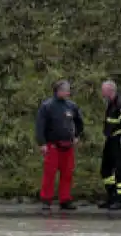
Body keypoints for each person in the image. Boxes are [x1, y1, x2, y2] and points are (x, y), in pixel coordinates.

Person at [35, 80, 84, 210]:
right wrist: (42, 143)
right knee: (49, 173)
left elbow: (79, 122)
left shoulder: (72, 106)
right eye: (66, 89)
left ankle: (65, 199)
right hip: (52, 145)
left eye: (68, 89)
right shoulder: (47, 106)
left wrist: (77, 136)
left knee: (67, 173)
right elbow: (40, 126)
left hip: (67, 145)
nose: (68, 92)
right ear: (58, 91)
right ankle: (46, 200)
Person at [98, 80, 121, 210]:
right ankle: (112, 196)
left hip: (119, 140)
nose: (102, 93)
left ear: (110, 91)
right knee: (105, 169)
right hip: (110, 140)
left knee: (120, 171)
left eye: (103, 90)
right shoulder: (110, 104)